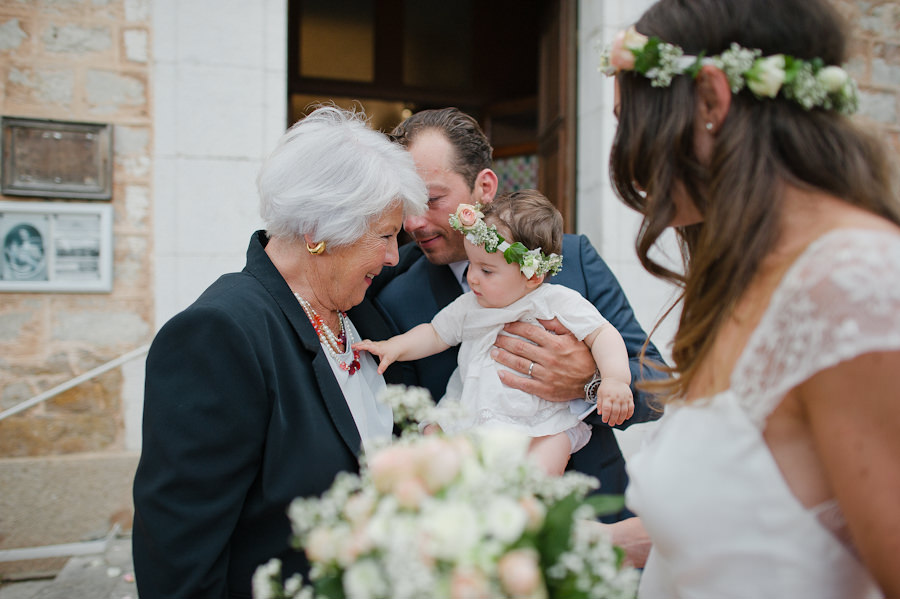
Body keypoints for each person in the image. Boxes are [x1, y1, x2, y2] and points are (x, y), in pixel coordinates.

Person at [599, 0, 900, 596]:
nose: (627, 153)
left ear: (711, 100)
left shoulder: (851, 284)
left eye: (630, 120)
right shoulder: (748, 283)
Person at [131, 106, 426, 598]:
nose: (395, 256)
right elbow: (179, 558)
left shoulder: (360, 313)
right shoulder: (220, 335)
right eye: (385, 236)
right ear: (318, 233)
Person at [352, 107, 666, 521]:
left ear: (484, 187)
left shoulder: (573, 260)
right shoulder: (393, 298)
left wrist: (587, 382)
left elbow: (660, 384)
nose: (414, 222)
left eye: (432, 199)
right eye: (405, 203)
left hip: (593, 512)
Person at [356, 191, 634, 476]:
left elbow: (602, 334)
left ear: (532, 276)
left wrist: (613, 379)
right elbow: (435, 334)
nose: (472, 277)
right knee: (438, 445)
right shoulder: (470, 305)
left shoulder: (557, 302)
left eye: (486, 270)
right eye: (472, 265)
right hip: (475, 410)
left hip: (540, 420)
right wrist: (394, 347)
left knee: (545, 464)